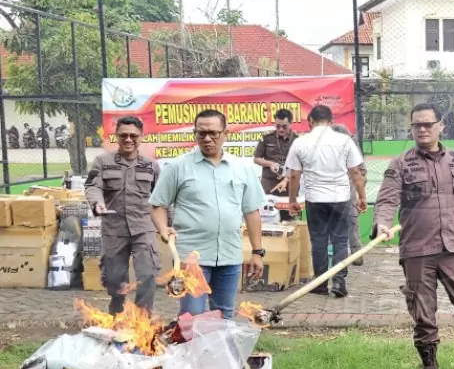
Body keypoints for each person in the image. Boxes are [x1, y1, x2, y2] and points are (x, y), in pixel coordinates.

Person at [374, 102, 454, 369]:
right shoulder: (401, 163)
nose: (423, 129)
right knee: (422, 309)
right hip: (417, 248)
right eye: (417, 125)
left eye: (428, 124)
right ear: (412, 128)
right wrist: (382, 223)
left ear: (441, 126)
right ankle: (430, 365)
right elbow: (387, 198)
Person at [150, 109, 267, 319]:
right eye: (201, 133)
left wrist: (257, 252)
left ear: (226, 134)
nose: (207, 139)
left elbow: (251, 212)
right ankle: (190, 352)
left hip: (229, 255)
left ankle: (218, 352)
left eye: (213, 133)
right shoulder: (178, 167)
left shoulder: (242, 168)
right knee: (192, 315)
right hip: (192, 257)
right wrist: (162, 228)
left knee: (223, 314)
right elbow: (157, 204)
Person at [280, 106, 367, 297]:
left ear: (310, 121)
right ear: (331, 121)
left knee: (318, 241)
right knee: (340, 240)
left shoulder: (300, 143)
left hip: (315, 199)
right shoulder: (344, 141)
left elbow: (294, 175)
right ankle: (339, 281)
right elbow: (356, 172)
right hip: (340, 198)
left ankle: (320, 283)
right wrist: (362, 197)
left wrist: (292, 200)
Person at [85, 116, 160, 315]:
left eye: (133, 135)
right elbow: (93, 186)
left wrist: (167, 225)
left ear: (141, 137)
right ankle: (117, 311)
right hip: (114, 229)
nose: (128, 139)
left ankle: (142, 319)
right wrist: (97, 202)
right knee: (115, 278)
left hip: (143, 227)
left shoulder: (151, 166)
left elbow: (162, 198)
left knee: (148, 274)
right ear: (116, 137)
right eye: (123, 135)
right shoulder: (102, 162)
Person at [332, 123, 368, 266]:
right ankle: (336, 255)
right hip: (331, 188)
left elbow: (361, 171)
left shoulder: (352, 145)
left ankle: (356, 254)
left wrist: (360, 192)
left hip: (349, 187)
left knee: (352, 220)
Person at [253, 108, 297, 221]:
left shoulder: (297, 140)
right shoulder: (267, 138)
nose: (280, 129)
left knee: (288, 218)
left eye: (284, 126)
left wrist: (287, 178)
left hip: (289, 185)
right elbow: (256, 159)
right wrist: (270, 164)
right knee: (268, 217)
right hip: (269, 184)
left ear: (291, 124)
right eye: (277, 126)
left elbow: (300, 164)